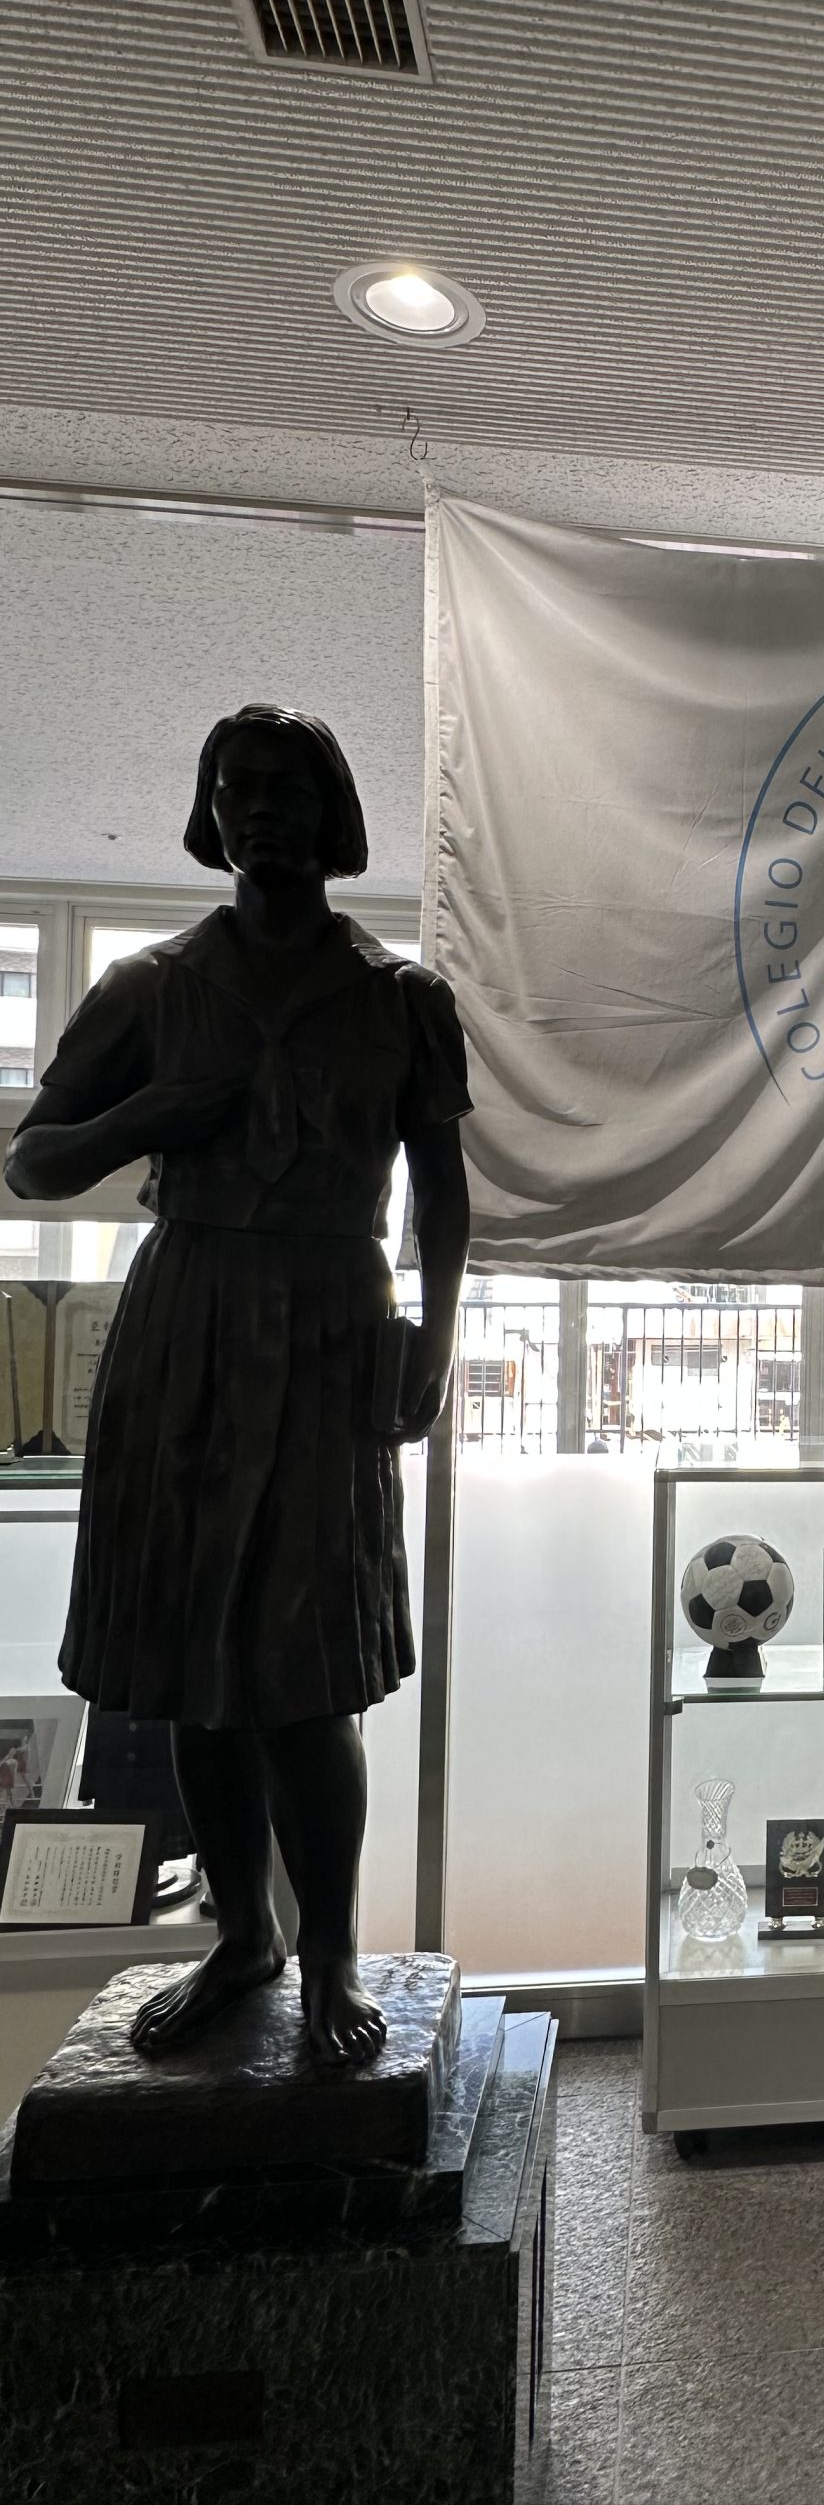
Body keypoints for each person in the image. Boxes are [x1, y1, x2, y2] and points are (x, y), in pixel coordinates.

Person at [4, 706, 470, 2065]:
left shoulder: (401, 999)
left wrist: (437, 1341)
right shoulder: (150, 987)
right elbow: (34, 1163)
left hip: (329, 1322)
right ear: (209, 813)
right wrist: (153, 1116)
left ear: (334, 815)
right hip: (186, 1324)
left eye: (288, 787)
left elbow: (443, 1190)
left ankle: (328, 1953)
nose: (261, 806)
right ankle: (241, 1938)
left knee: (309, 1674)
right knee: (187, 1663)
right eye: (235, 786)